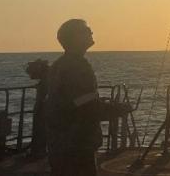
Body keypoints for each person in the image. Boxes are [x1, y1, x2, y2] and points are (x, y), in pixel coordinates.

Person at [44, 19, 130, 176]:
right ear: (74, 38)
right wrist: (117, 109)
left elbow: (75, 101)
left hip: (61, 142)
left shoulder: (60, 64)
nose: (91, 33)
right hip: (77, 143)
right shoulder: (78, 66)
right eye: (86, 30)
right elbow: (86, 108)